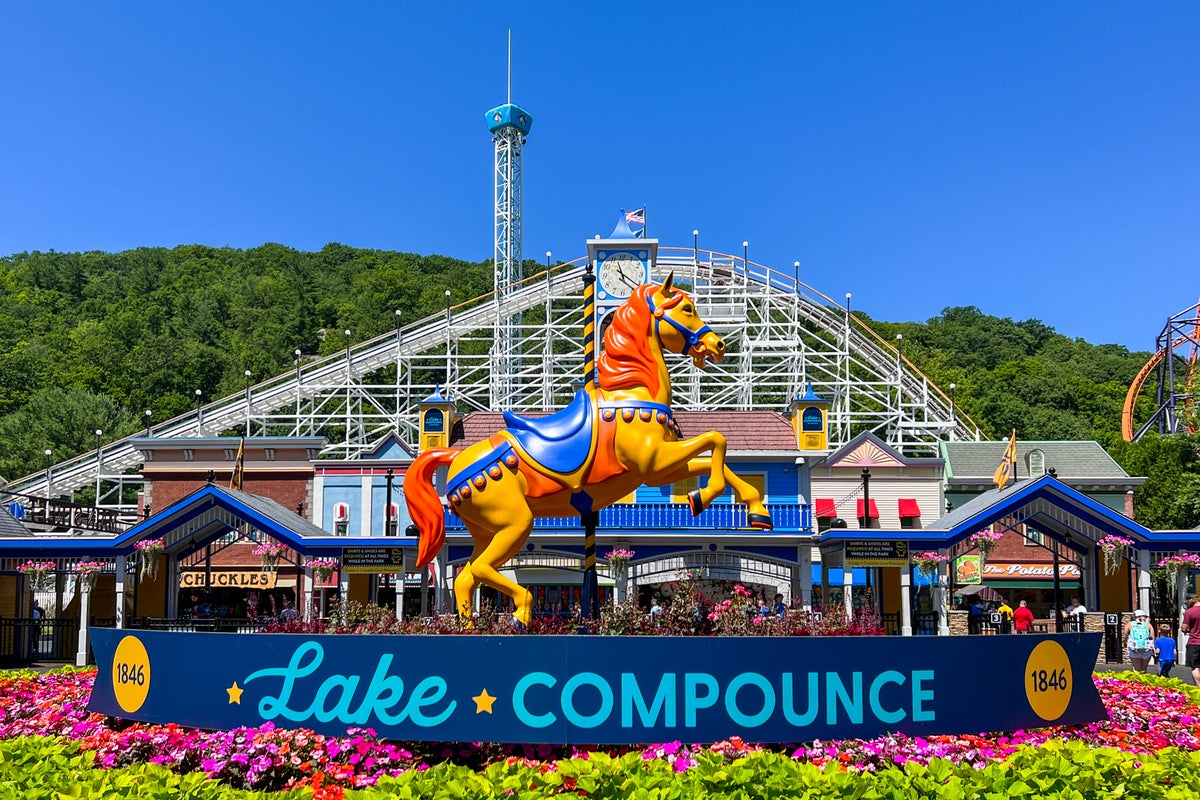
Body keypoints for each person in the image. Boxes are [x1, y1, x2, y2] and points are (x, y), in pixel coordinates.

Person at [1183, 594, 1200, 686]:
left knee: (1195, 667)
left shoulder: (1189, 612)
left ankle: (1199, 688)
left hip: (1195, 642)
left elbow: (1184, 628)